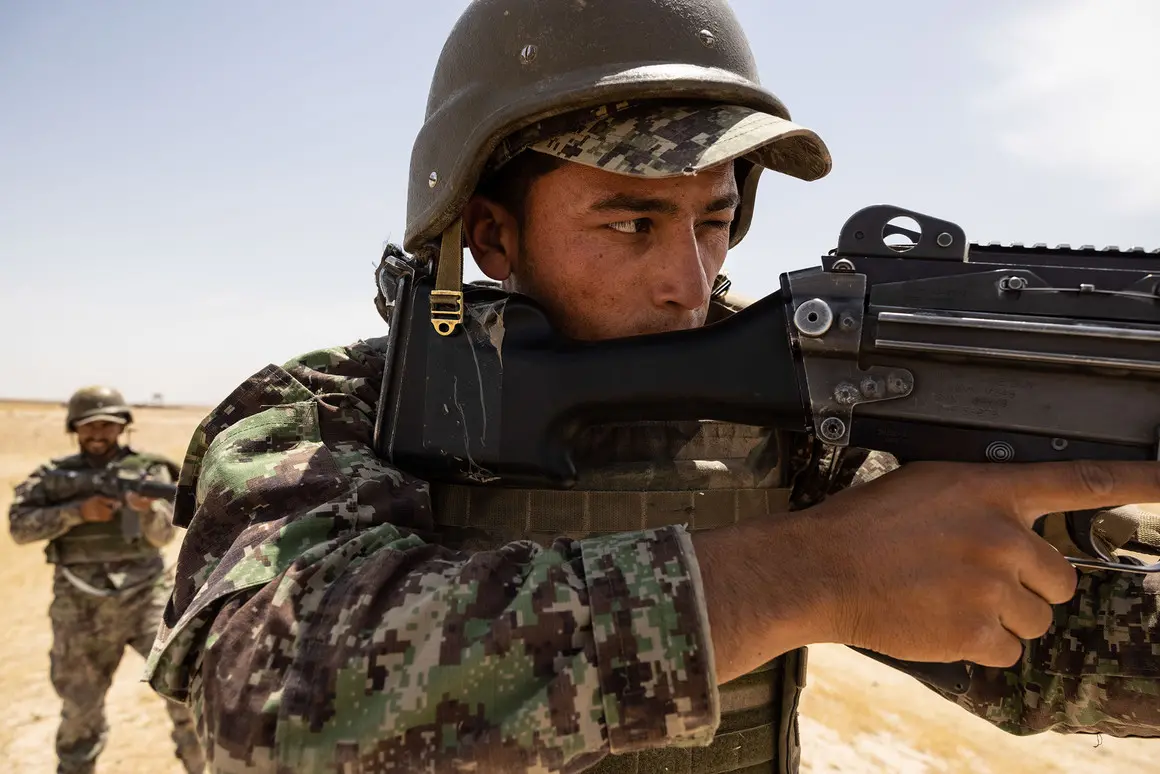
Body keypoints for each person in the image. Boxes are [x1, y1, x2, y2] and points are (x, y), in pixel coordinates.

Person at [144, 1, 1160, 772]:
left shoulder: (796, 412)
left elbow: (1056, 646)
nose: (689, 279)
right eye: (630, 223)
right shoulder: (336, 414)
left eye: (711, 222)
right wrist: (808, 575)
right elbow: (263, 708)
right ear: (491, 232)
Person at [9, 386, 205, 774]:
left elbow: (164, 536)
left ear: (123, 428)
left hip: (147, 597)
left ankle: (202, 767)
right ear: (74, 428)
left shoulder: (151, 471)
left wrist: (145, 512)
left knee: (185, 693)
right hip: (79, 603)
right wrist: (77, 512)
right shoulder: (54, 476)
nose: (99, 433)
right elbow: (20, 528)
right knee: (81, 709)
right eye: (90, 425)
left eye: (108, 425)